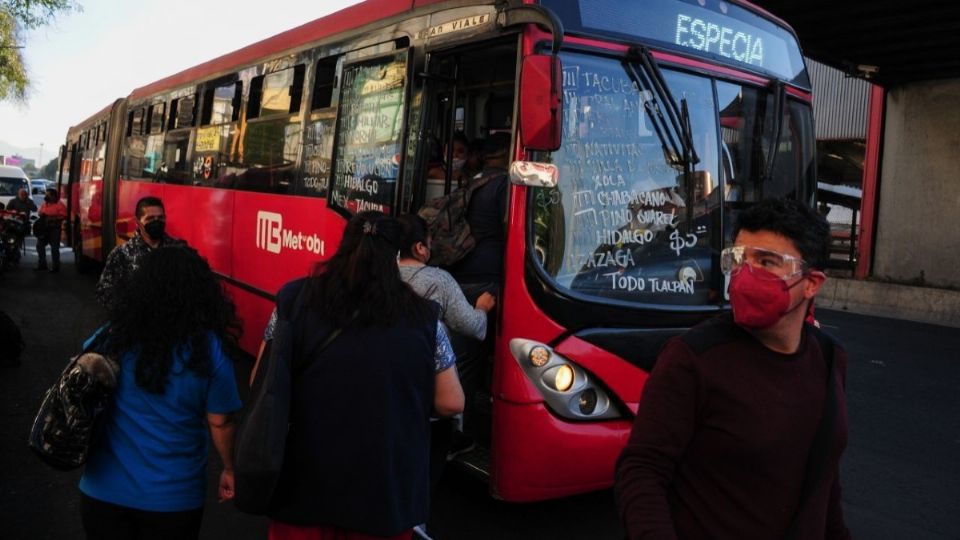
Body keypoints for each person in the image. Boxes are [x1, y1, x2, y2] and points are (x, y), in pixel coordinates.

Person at [614, 198, 851, 540]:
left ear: (812, 283)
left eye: (767, 262)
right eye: (739, 259)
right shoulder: (693, 358)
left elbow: (825, 478)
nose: (744, 274)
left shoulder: (830, 359)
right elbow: (642, 471)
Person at [258, 211, 464, 540]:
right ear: (396, 257)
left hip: (302, 482)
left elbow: (266, 379)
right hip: (382, 490)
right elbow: (452, 402)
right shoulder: (425, 319)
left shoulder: (294, 300)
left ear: (342, 247)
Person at [79, 245, 243, 540]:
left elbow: (84, 370)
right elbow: (221, 421)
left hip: (102, 492)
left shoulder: (114, 335)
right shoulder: (209, 349)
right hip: (174, 499)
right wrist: (230, 468)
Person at [397, 214, 495, 473]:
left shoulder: (380, 274)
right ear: (420, 248)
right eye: (430, 242)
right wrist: (482, 308)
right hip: (424, 396)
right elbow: (475, 328)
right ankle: (456, 438)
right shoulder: (439, 280)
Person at [95, 196, 184, 309]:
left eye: (160, 218)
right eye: (150, 218)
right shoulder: (121, 254)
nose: (157, 222)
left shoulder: (179, 249)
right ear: (138, 222)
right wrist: (132, 306)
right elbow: (104, 291)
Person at [35, 187, 67, 272]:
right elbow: (39, 212)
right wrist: (42, 214)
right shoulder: (44, 204)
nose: (46, 197)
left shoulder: (60, 205)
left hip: (54, 229)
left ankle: (55, 267)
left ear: (53, 196)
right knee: (40, 246)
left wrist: (52, 217)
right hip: (44, 229)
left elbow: (63, 215)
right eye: (45, 195)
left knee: (54, 249)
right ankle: (42, 265)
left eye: (48, 195)